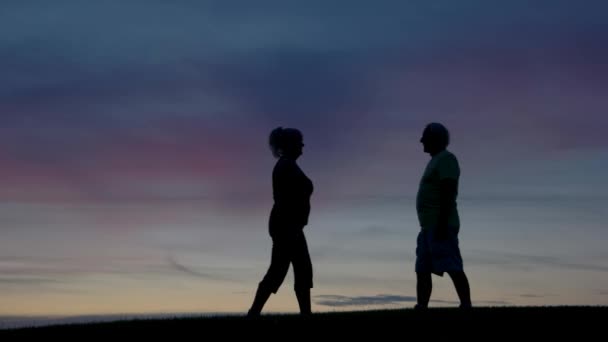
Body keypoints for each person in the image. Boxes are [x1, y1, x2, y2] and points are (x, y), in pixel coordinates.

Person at [247, 127, 314, 316]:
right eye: (299, 142)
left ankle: (304, 314)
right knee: (282, 270)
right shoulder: (286, 166)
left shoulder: (289, 165)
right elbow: (285, 199)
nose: (302, 146)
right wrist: (291, 227)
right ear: (290, 145)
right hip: (287, 225)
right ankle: (254, 313)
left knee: (298, 268)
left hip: (289, 225)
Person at [415, 122, 471, 309]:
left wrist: (441, 223)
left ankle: (466, 304)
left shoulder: (446, 159)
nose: (422, 141)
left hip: (441, 224)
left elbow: (448, 191)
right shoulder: (435, 160)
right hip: (427, 227)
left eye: (426, 137)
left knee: (452, 265)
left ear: (435, 139)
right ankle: (422, 306)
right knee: (422, 268)